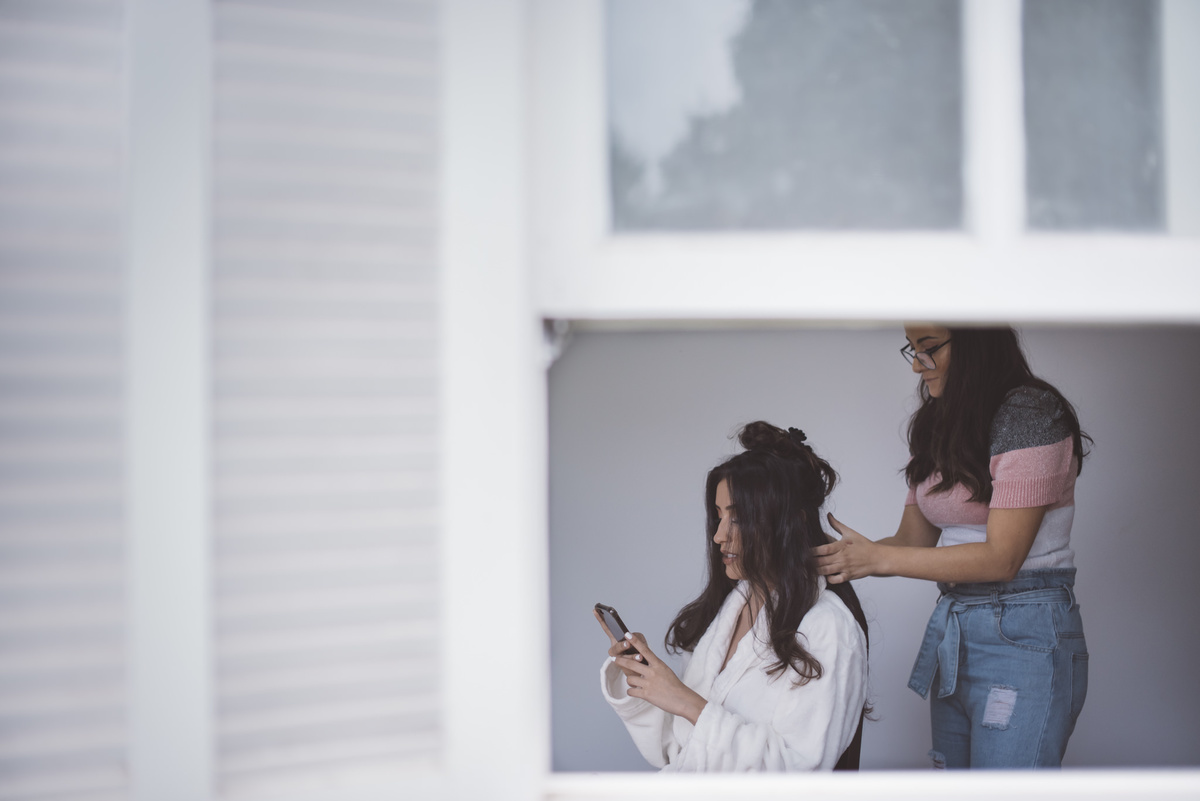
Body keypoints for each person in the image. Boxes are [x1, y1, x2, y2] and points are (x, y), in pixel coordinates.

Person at [815, 325, 1090, 769]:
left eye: (929, 348)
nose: (916, 364)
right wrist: (832, 558)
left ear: (976, 340)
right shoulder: (938, 423)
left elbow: (1003, 558)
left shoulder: (1031, 413)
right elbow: (911, 543)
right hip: (957, 631)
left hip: (1025, 632)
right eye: (913, 349)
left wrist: (878, 557)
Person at [596, 421, 869, 772]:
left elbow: (799, 774)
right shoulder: (731, 608)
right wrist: (650, 682)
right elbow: (677, 751)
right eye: (718, 516)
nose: (719, 536)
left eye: (738, 519)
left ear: (789, 523)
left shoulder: (829, 628)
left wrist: (686, 701)